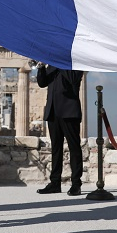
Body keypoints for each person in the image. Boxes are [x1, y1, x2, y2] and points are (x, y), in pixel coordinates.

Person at [35, 64, 85, 196]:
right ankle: (55, 182)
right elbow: (42, 83)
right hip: (53, 111)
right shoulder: (51, 65)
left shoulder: (75, 64)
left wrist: (59, 62)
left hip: (69, 111)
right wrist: (41, 68)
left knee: (74, 147)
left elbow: (73, 79)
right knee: (56, 149)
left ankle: (76, 183)